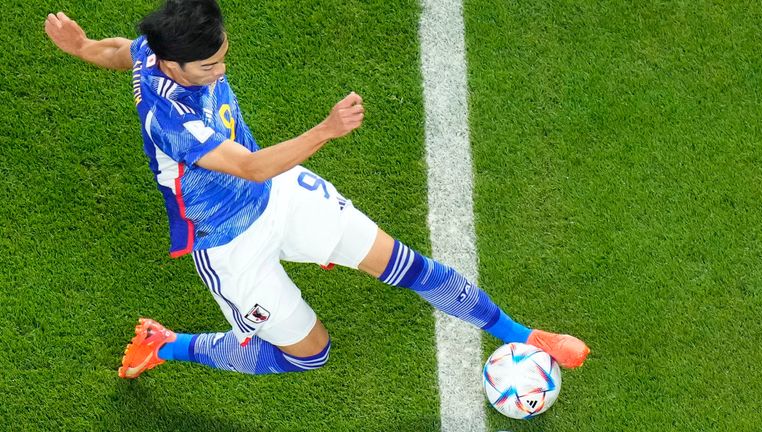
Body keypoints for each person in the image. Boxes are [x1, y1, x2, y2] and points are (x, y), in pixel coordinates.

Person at [44, 0, 589, 379]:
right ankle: (167, 344)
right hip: (229, 242)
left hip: (281, 193)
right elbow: (252, 166)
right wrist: (326, 130)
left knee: (404, 263)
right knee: (308, 356)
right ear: (172, 63)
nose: (221, 69)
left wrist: (84, 45)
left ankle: (525, 335)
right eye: (210, 65)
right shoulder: (169, 118)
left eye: (223, 55)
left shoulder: (159, 49)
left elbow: (126, 52)